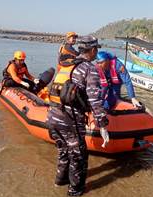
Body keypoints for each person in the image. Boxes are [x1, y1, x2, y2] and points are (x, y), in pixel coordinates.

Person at [47, 36, 109, 196]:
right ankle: (75, 191)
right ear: (93, 50)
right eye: (97, 50)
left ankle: (60, 181)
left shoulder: (66, 65)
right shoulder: (90, 69)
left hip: (52, 117)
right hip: (70, 120)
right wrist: (103, 124)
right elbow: (95, 100)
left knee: (63, 151)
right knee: (78, 156)